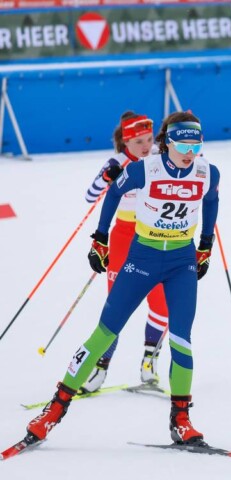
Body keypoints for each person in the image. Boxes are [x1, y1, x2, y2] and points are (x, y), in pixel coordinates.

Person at [24, 111, 220, 447]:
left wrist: (205, 245)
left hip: (181, 261)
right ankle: (55, 409)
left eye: (196, 143)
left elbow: (212, 200)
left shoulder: (207, 172)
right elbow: (113, 194)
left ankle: (181, 418)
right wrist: (100, 238)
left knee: (182, 339)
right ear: (168, 141)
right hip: (142, 257)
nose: (190, 151)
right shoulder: (146, 168)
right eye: (183, 143)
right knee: (104, 332)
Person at [80, 111, 169, 393]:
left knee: (161, 304)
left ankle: (148, 363)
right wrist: (107, 177)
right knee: (117, 305)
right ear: (126, 142)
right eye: (139, 141)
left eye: (149, 140)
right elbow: (90, 195)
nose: (146, 146)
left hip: (153, 237)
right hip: (122, 238)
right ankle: (99, 369)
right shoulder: (117, 162)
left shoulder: (158, 156)